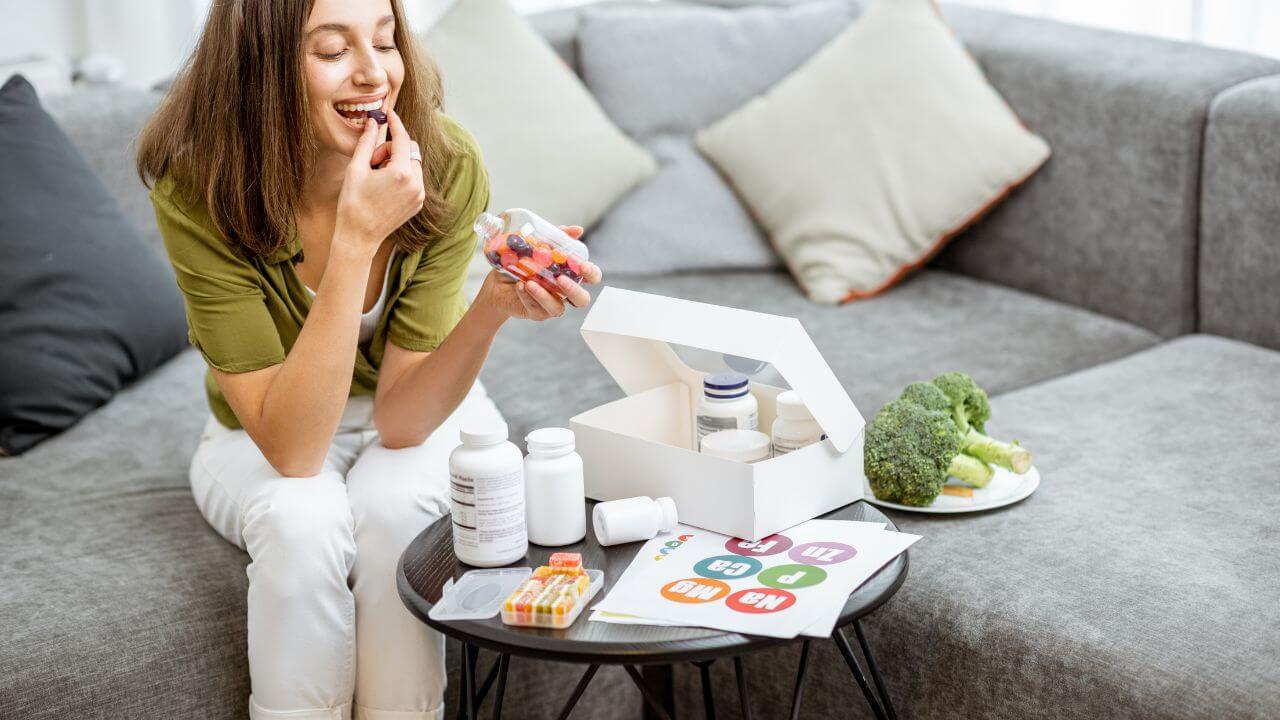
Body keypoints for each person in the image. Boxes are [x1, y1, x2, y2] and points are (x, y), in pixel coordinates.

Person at [136, 0, 601, 718]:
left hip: (416, 408)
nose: (374, 74)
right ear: (262, 71)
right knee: (302, 520)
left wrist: (493, 308)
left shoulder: (444, 164)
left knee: (391, 512)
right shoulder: (198, 189)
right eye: (331, 50)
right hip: (263, 425)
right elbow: (291, 450)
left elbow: (404, 420)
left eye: (386, 43)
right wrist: (356, 239)